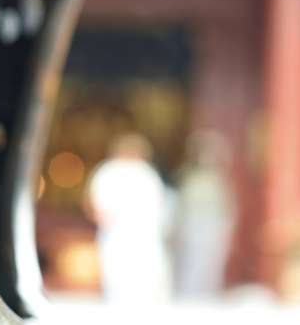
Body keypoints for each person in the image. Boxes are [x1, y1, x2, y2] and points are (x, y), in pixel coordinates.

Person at [86, 133, 172, 305]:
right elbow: (94, 205)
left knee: (141, 279)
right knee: (117, 276)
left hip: (142, 235)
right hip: (118, 234)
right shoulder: (110, 171)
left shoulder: (146, 173)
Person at [173, 130, 235, 299]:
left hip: (214, 226)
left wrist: (226, 226)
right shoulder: (187, 176)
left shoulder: (219, 179)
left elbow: (226, 206)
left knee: (212, 263)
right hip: (193, 226)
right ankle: (189, 296)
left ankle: (207, 295)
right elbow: (182, 205)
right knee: (192, 262)